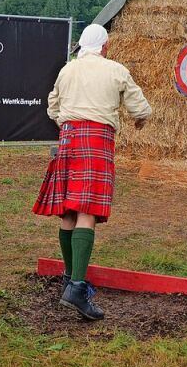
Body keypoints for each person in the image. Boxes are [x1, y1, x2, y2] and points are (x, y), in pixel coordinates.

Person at [33, 24, 152, 320]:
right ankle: (75, 287)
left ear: (82, 47)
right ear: (105, 46)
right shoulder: (116, 70)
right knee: (85, 211)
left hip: (68, 139)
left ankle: (69, 278)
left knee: (68, 212)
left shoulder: (67, 70)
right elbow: (142, 109)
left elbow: (52, 107)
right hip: (96, 141)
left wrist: (65, 120)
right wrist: (139, 120)